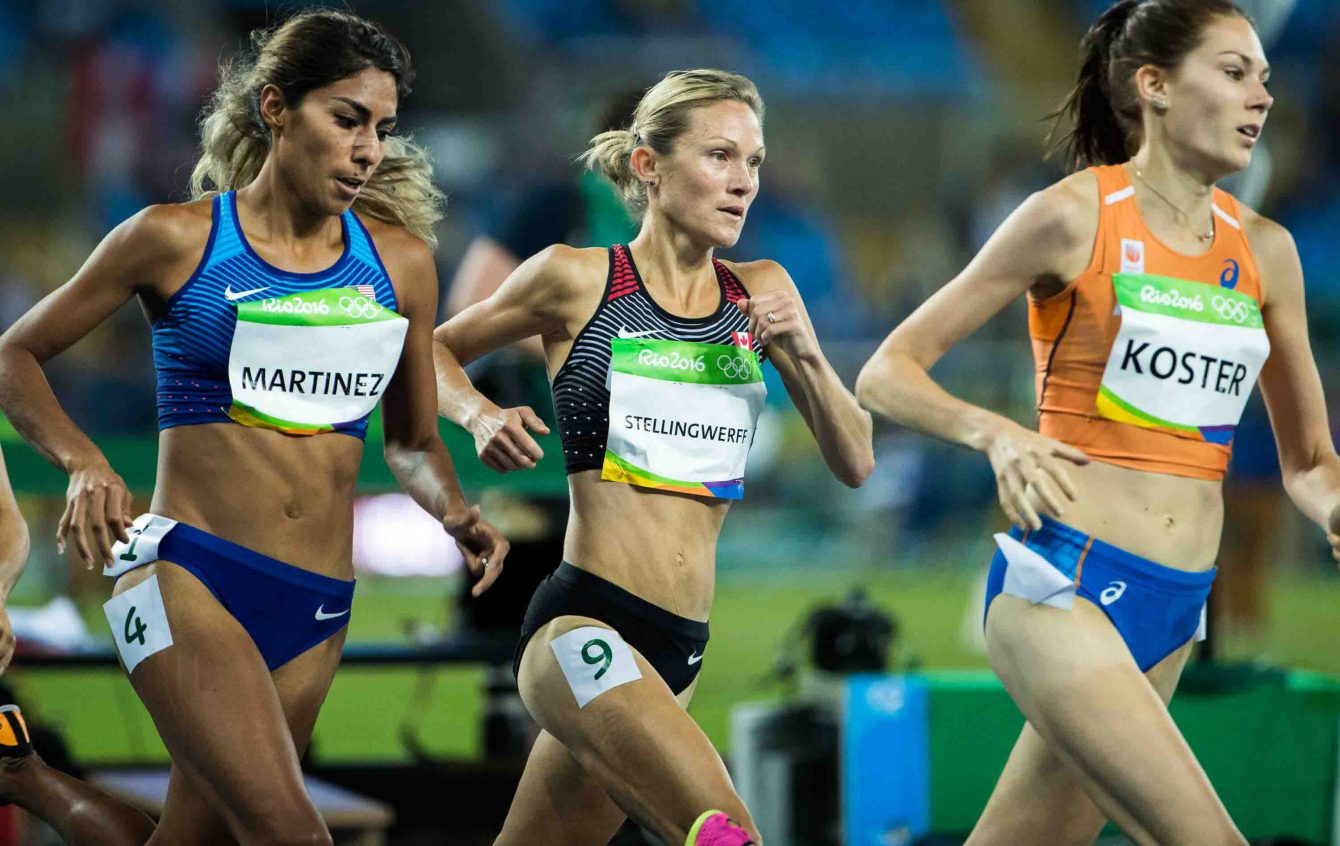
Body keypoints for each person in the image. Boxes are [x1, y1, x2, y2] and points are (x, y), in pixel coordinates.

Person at [0, 10, 508, 845]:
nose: (368, 149)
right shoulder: (173, 240)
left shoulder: (401, 264)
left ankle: (28, 781)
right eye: (347, 119)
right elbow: (15, 355)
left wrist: (454, 510)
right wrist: (85, 462)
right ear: (276, 108)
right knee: (292, 833)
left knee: (206, 837)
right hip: (183, 572)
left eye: (382, 129)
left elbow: (411, 443)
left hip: (315, 603)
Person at [856, 2, 1340, 844]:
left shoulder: (1268, 251)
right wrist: (998, 434)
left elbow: (1309, 461)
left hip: (1177, 607)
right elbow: (885, 372)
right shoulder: (1073, 214)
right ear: (1154, 85)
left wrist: (1332, 504)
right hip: (1062, 589)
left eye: (1264, 78)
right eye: (1233, 73)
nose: (1261, 96)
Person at [434, 69, 873, 846]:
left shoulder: (761, 292)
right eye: (720, 156)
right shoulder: (576, 279)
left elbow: (856, 460)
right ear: (649, 165)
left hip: (680, 649)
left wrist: (804, 355)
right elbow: (429, 351)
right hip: (581, 626)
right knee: (727, 834)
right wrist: (479, 414)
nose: (744, 182)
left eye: (754, 162)